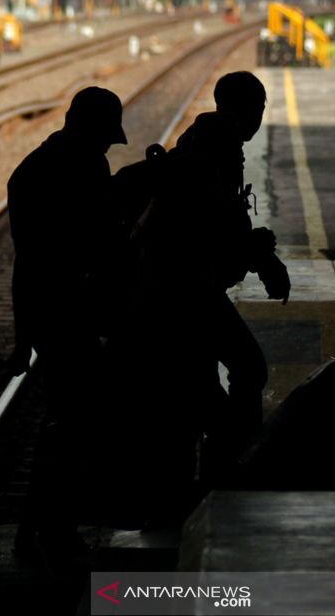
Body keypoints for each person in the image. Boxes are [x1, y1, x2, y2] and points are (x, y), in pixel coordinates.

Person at [122, 71, 287, 516]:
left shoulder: (213, 143)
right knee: (236, 375)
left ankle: (205, 480)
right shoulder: (211, 151)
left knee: (207, 386)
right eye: (259, 108)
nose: (259, 118)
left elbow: (224, 222)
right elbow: (209, 227)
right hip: (181, 291)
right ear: (244, 110)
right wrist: (259, 255)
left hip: (186, 286)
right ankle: (224, 479)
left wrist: (256, 253)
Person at [7, 86, 127, 567]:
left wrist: (22, 337)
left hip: (47, 313)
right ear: (91, 128)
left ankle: (40, 527)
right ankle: (49, 530)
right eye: (105, 137)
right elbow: (102, 244)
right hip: (71, 315)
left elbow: (25, 264)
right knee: (73, 426)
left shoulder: (30, 171)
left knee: (67, 423)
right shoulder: (85, 168)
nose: (107, 147)